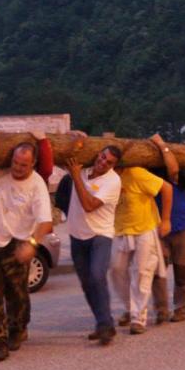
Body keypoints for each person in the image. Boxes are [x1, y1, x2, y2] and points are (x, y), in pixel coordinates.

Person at [0, 142, 54, 362]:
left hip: (18, 242)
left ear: (32, 163)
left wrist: (32, 243)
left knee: (17, 294)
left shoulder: (36, 184)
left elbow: (45, 222)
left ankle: (18, 329)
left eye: (23, 164)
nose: (18, 168)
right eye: (15, 162)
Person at [64, 146, 122, 346]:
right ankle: (103, 323)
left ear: (114, 166)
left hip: (100, 235)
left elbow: (89, 206)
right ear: (98, 153)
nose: (103, 162)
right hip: (76, 234)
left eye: (109, 162)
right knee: (87, 283)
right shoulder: (82, 168)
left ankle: (106, 325)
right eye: (103, 157)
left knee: (97, 275)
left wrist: (75, 176)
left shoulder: (113, 181)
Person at [110, 165, 172, 335]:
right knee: (116, 270)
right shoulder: (106, 177)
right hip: (120, 229)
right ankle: (131, 308)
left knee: (142, 272)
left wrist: (166, 219)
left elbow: (166, 188)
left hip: (145, 229)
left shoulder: (136, 173)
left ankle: (138, 318)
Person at [149, 134, 185, 324]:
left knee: (181, 271)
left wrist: (161, 144)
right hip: (158, 228)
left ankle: (180, 309)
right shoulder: (149, 173)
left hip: (182, 226)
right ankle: (161, 310)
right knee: (157, 271)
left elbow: (174, 169)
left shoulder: (178, 175)